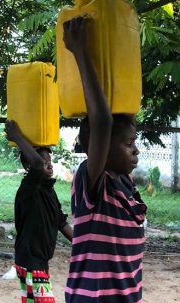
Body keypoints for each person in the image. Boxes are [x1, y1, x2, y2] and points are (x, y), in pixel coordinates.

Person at [62, 17, 147, 303]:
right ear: (97, 148)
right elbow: (102, 122)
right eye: (128, 145)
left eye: (134, 143)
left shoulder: (126, 183)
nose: (135, 151)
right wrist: (81, 52)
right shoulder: (94, 183)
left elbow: (120, 119)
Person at [5, 120, 73, 303]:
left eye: (49, 161)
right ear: (29, 167)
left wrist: (82, 244)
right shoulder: (28, 189)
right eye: (44, 163)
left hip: (39, 261)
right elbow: (35, 164)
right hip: (30, 261)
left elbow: (61, 222)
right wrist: (17, 137)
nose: (49, 166)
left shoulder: (48, 189)